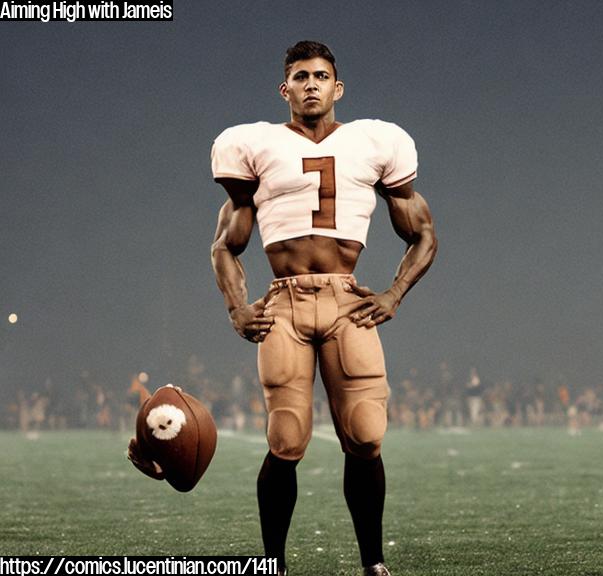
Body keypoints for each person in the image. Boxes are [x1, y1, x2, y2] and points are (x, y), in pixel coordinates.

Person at [209, 40, 437, 576]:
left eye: (321, 76)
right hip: (283, 301)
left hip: (344, 300)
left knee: (364, 434)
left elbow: (424, 232)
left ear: (338, 88)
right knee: (285, 439)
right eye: (300, 76)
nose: (311, 84)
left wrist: (393, 293)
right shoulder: (257, 146)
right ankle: (272, 562)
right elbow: (225, 243)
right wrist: (236, 307)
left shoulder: (373, 143)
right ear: (284, 88)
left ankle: (373, 562)